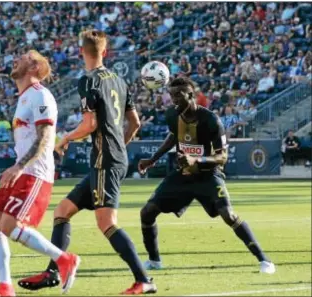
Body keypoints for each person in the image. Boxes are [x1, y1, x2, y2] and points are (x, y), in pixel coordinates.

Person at [18, 30, 156, 295]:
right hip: (111, 158)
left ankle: (144, 280)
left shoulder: (89, 81)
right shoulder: (119, 80)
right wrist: (119, 147)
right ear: (105, 52)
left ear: (82, 51)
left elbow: (89, 124)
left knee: (107, 223)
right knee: (63, 210)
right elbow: (135, 123)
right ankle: (53, 272)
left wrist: (65, 138)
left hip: (106, 159)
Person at [137, 77, 275, 274]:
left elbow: (223, 156)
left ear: (191, 95)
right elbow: (173, 136)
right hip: (183, 175)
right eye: (171, 95)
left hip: (209, 175)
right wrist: (152, 159)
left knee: (228, 215)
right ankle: (154, 260)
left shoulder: (211, 120)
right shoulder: (172, 115)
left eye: (179, 95)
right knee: (147, 211)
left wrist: (196, 160)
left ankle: (264, 260)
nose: (174, 100)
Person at [0, 50, 79, 297]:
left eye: (24, 57)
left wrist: (19, 166)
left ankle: (64, 259)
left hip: (35, 171)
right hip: (22, 169)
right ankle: (5, 287)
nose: (15, 58)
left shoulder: (40, 95)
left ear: (34, 67)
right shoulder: (24, 97)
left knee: (10, 224)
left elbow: (45, 136)